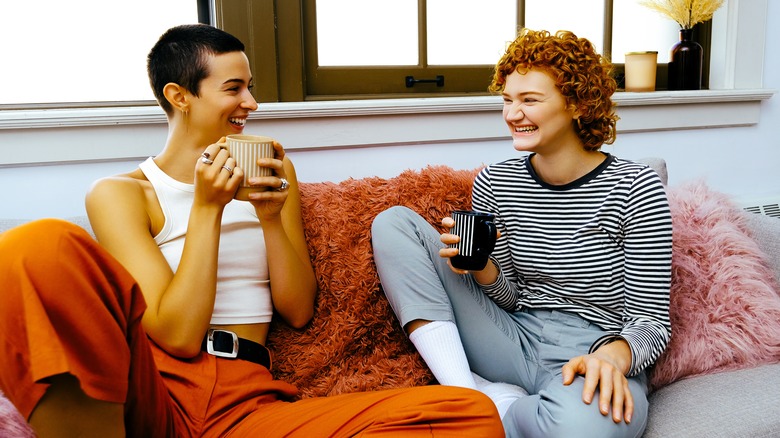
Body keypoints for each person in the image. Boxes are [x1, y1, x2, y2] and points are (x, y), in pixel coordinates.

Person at [0, 24, 504, 437]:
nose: (253, 103)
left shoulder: (274, 171)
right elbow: (175, 335)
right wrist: (207, 209)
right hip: (156, 387)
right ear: (179, 96)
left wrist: (269, 217)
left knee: (468, 415)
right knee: (33, 245)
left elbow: (299, 311)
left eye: (251, 87)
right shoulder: (121, 194)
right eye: (234, 88)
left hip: (246, 402)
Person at [371, 28, 673, 437]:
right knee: (393, 223)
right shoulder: (495, 182)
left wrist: (613, 358)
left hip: (591, 353)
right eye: (508, 100)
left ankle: (506, 410)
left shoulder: (635, 186)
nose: (513, 113)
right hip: (511, 337)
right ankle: (468, 397)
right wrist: (482, 269)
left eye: (529, 100)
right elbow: (511, 297)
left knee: (583, 428)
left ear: (577, 104)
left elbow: (651, 323)